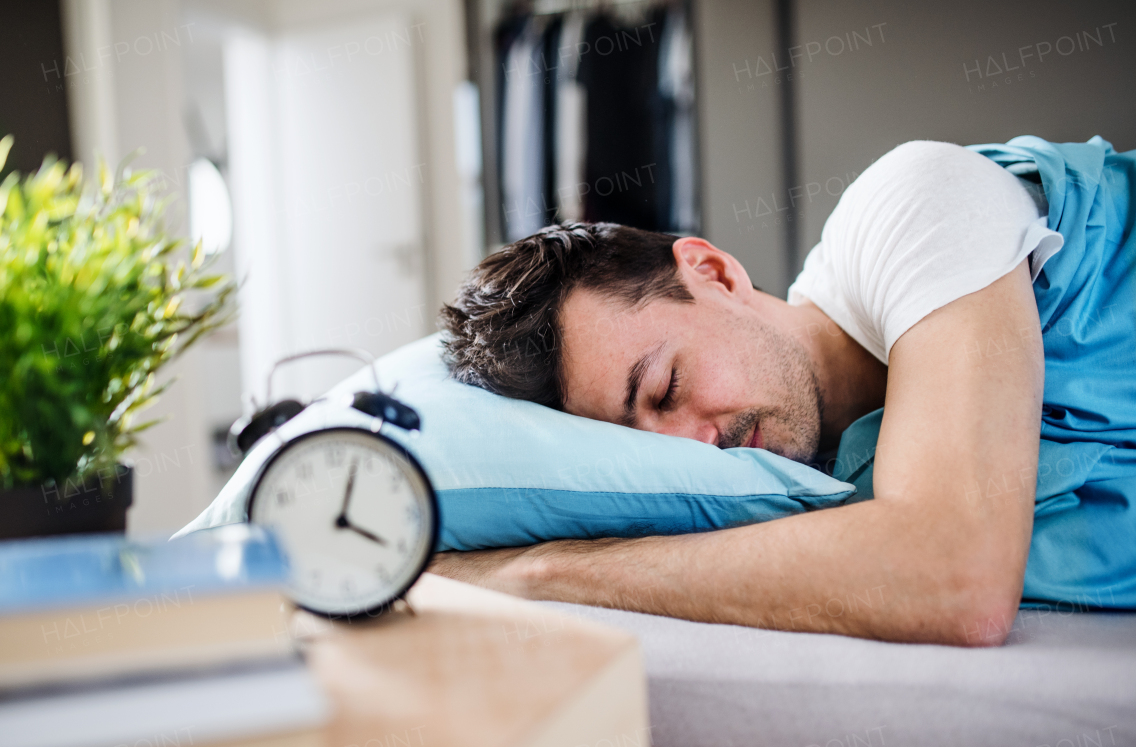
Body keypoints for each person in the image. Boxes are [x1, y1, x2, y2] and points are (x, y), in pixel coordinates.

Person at [431, 136, 1136, 646]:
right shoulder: (793, 504)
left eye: (667, 385)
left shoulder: (912, 205)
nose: (692, 446)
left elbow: (959, 577)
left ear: (712, 271)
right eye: (641, 445)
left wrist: (543, 573)